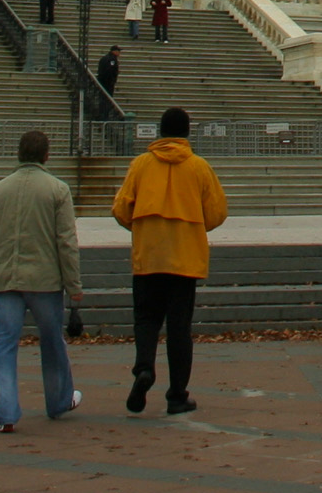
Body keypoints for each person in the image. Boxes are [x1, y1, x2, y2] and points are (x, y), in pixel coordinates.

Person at [113, 106, 229, 417]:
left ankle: (144, 370)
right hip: (184, 259)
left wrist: (142, 227)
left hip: (148, 256)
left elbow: (122, 209)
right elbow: (217, 212)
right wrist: (191, 226)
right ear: (187, 133)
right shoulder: (199, 167)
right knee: (180, 328)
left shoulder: (140, 165)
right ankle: (177, 395)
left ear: (161, 132)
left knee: (147, 319)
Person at [0, 129, 82, 434]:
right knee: (51, 343)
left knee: (5, 345)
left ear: (19, 154)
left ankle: (6, 413)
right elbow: (66, 241)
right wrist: (73, 284)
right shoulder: (57, 190)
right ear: (46, 156)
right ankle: (58, 400)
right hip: (44, 280)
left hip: (6, 278)